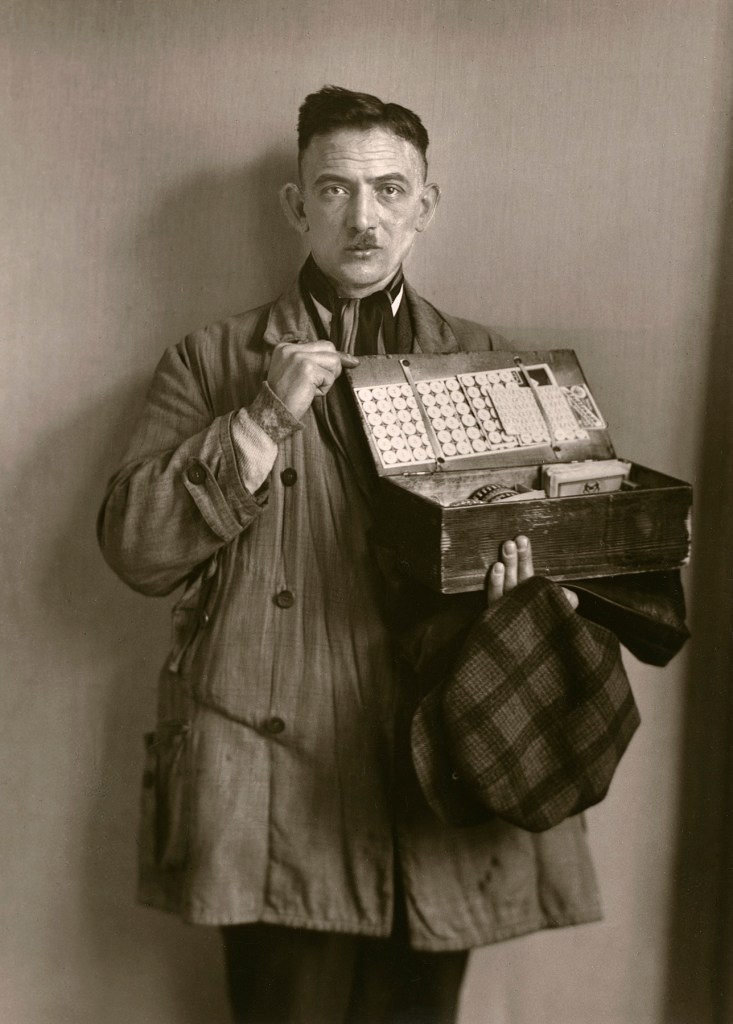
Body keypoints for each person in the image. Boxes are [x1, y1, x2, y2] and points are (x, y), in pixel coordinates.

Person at [98, 86, 602, 1024]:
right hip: (274, 777)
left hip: (440, 759)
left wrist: (532, 593)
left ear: (425, 206)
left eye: (387, 189)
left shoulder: (497, 363)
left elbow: (574, 546)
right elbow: (136, 550)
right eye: (333, 190)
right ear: (296, 206)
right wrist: (259, 418)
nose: (361, 218)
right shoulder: (212, 361)